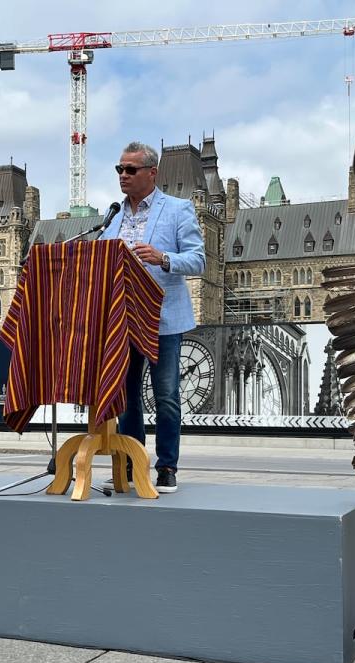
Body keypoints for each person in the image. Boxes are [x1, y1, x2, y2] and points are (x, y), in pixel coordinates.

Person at [99, 141, 206, 493]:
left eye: (130, 170)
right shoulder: (112, 216)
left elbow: (198, 260)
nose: (123, 176)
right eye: (119, 169)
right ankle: (132, 463)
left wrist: (163, 258)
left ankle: (167, 466)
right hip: (122, 321)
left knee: (166, 396)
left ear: (151, 172)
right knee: (126, 398)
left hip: (163, 319)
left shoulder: (177, 210)